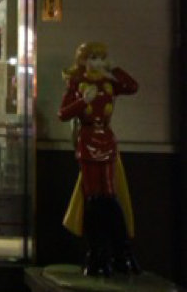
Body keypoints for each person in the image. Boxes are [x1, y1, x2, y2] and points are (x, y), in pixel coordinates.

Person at [58, 42, 140, 276]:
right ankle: (99, 254)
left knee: (109, 197)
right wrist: (82, 101)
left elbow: (132, 86)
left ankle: (120, 254)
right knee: (94, 198)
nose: (97, 62)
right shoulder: (77, 83)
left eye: (101, 58)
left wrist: (114, 70)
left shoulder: (108, 83)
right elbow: (63, 113)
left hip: (106, 141)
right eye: (92, 57)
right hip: (87, 142)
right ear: (83, 60)